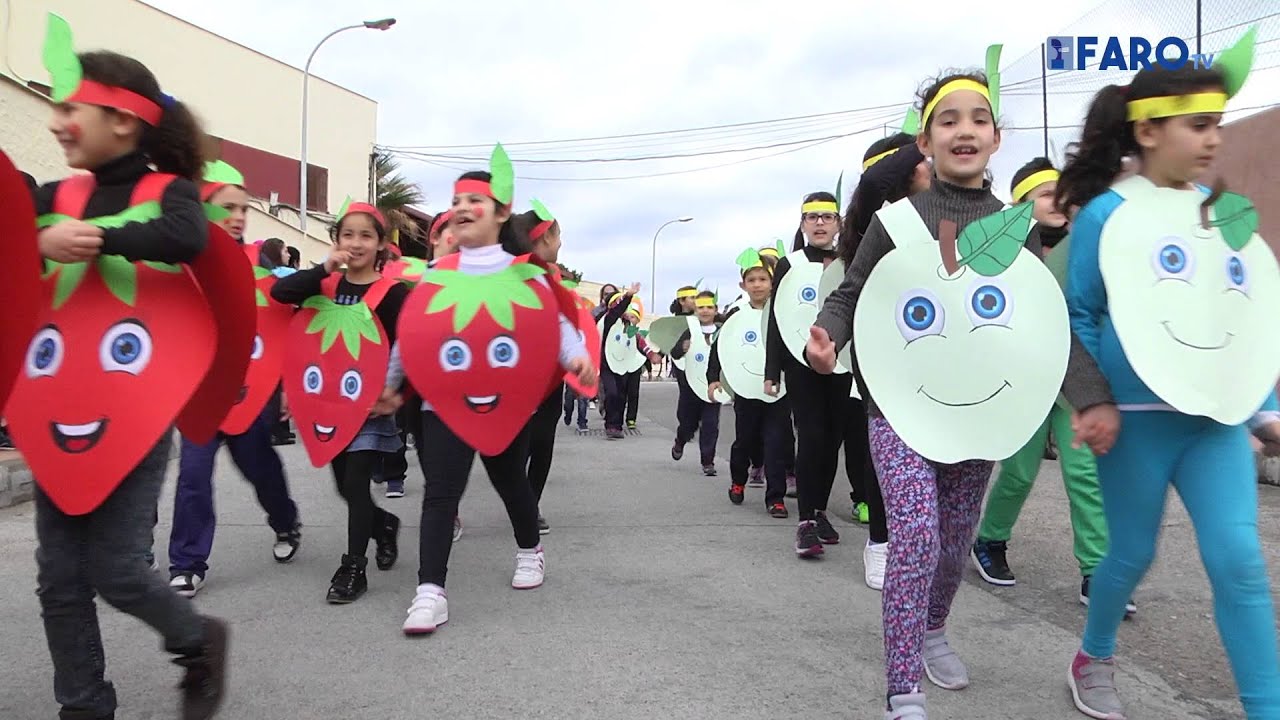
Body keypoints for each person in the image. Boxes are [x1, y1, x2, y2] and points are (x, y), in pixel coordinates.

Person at [808, 69, 1111, 719]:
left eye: (978, 118)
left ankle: (934, 628)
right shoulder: (896, 223)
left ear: (996, 138)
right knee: (915, 532)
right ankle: (902, 688)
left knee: (952, 541)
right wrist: (827, 336)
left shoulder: (1014, 226)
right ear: (926, 140)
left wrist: (1088, 397)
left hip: (979, 406)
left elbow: (1040, 322)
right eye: (949, 119)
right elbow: (852, 295)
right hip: (899, 404)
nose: (964, 129)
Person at [1055, 50, 1280, 719]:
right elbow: (1081, 314)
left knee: (1240, 561)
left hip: (1213, 424)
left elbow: (1244, 314)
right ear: (1149, 130)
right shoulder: (1105, 214)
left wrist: (1262, 406)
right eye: (1198, 122)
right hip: (1135, 420)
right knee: (1129, 553)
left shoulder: (1227, 212)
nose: (1214, 137)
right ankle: (1092, 657)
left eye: (1220, 122)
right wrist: (1094, 400)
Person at [26, 37, 227, 719]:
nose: (56, 121)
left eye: (70, 106)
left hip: (135, 410)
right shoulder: (56, 195)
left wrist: (100, 237)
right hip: (53, 409)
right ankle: (84, 706)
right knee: (57, 579)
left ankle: (196, 639)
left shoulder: (165, 192)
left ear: (123, 119)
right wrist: (35, 238)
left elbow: (187, 237)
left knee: (115, 569)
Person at [384, 162, 595, 635]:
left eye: (473, 202)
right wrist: (391, 381)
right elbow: (412, 334)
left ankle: (529, 549)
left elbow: (554, 325)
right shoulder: (438, 273)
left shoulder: (525, 277)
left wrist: (576, 357)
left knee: (509, 482)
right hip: (444, 401)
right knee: (440, 493)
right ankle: (430, 591)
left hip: (505, 401)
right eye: (456, 202)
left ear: (501, 213)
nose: (462, 210)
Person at [970, 157, 1124, 616]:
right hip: (1027, 377)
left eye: (1060, 190)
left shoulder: (1087, 244)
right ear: (1020, 205)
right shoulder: (1006, 252)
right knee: (1018, 472)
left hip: (1079, 378)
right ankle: (990, 540)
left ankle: (1097, 570)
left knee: (1085, 475)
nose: (1056, 199)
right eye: (1043, 193)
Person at [166, 162, 302, 598]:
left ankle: (286, 522)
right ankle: (187, 562)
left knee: (259, 468)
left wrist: (282, 388)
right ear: (203, 210)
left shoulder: (261, 265)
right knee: (192, 475)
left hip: (250, 391)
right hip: (199, 392)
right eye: (228, 207)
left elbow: (282, 325)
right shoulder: (182, 265)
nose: (239, 216)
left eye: (244, 208)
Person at [271, 202, 408, 604]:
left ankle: (353, 567)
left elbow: (408, 346)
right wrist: (323, 269)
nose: (356, 243)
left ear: (381, 244)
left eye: (366, 235)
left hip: (368, 406)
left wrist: (394, 392)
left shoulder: (392, 293)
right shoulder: (323, 284)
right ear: (336, 240)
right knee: (346, 489)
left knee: (355, 481)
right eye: (347, 234)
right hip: (325, 405)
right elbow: (282, 293)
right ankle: (383, 524)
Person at [765, 190, 847, 558]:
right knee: (812, 435)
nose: (819, 223)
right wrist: (772, 370)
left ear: (838, 223)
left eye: (826, 217)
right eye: (811, 217)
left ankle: (820, 510)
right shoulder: (790, 263)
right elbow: (775, 321)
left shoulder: (851, 260)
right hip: (801, 364)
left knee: (832, 440)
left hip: (843, 362)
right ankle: (805, 523)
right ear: (802, 224)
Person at [708, 249, 790, 516]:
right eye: (752, 280)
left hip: (778, 390)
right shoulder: (736, 316)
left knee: (776, 442)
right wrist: (712, 379)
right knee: (745, 440)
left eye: (762, 279)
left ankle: (775, 498)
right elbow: (718, 349)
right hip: (746, 391)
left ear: (772, 283)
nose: (757, 285)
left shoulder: (783, 314)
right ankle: (738, 481)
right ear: (744, 284)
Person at [511, 202, 573, 534]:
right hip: (520, 376)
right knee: (521, 444)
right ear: (546, 237)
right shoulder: (515, 276)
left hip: (551, 377)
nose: (561, 243)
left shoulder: (555, 276)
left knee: (543, 442)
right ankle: (521, 501)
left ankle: (529, 505)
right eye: (559, 235)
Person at [670, 291, 723, 475]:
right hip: (690, 386)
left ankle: (708, 461)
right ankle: (680, 440)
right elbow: (675, 352)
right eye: (701, 307)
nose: (705, 311)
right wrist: (681, 348)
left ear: (716, 309)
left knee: (710, 424)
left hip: (712, 387)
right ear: (695, 309)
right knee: (687, 423)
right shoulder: (690, 329)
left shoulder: (722, 330)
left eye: (709, 307)